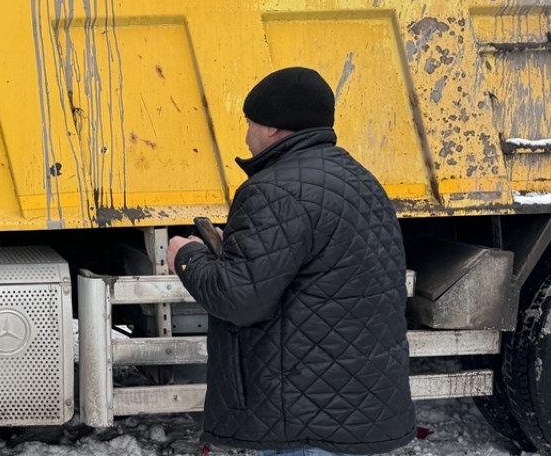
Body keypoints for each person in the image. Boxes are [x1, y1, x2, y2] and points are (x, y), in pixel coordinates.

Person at [166, 67, 414, 456]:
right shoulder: (359, 179)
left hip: (304, 420)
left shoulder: (274, 191)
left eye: (250, 122)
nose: (246, 133)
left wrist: (187, 256)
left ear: (274, 130)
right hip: (348, 406)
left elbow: (240, 299)